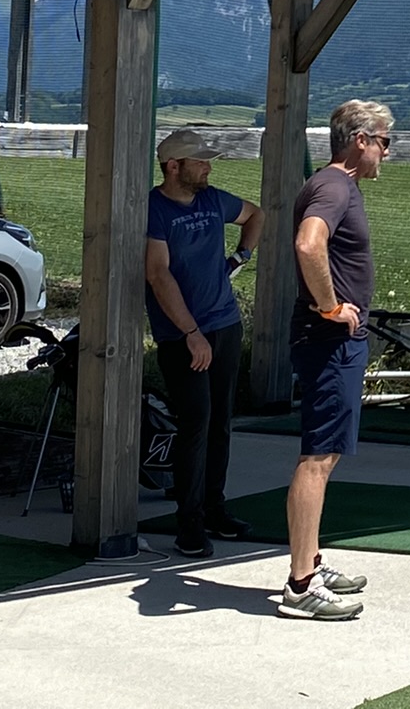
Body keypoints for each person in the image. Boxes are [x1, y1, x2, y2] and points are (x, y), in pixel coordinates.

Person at [278, 98, 392, 622]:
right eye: (384, 142)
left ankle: (311, 559)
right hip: (328, 342)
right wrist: (330, 307)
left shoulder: (340, 186)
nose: (387, 153)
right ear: (360, 140)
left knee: (328, 453)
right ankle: (301, 585)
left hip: (336, 342)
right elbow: (308, 245)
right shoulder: (333, 186)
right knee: (318, 457)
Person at [144, 128, 263, 560]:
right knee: (196, 423)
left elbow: (256, 215)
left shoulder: (214, 200)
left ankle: (216, 510)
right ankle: (188, 524)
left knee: (220, 423)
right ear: (173, 166)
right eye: (199, 161)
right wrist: (191, 333)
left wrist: (240, 257)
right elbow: (158, 275)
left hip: (224, 325)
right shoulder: (154, 210)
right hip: (182, 335)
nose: (208, 167)